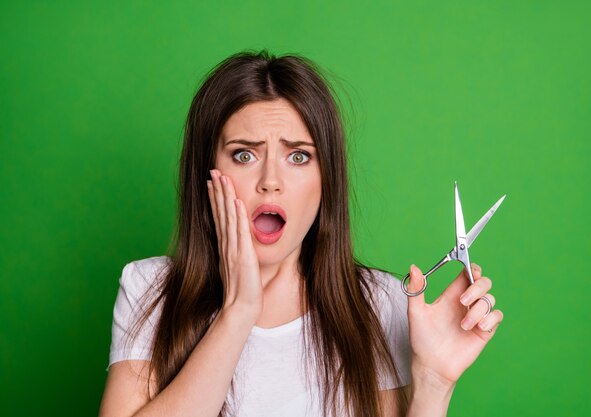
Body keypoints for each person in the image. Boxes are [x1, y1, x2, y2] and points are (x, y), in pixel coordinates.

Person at [98, 50, 504, 417]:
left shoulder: (381, 306)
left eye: (298, 156)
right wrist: (238, 312)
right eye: (244, 154)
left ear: (326, 179)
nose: (270, 181)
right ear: (207, 172)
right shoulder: (150, 288)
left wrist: (435, 383)